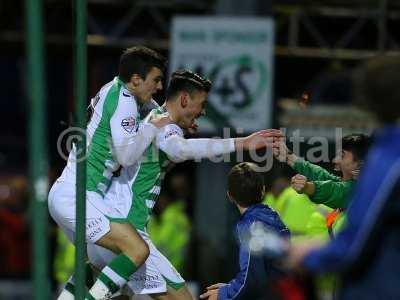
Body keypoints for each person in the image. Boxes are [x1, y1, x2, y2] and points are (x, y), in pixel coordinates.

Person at [87, 70, 283, 300]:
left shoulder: (154, 118)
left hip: (109, 228)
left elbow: (156, 160)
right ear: (184, 100)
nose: (203, 111)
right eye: (202, 104)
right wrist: (244, 143)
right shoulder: (165, 126)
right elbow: (180, 149)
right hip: (128, 232)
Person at [48, 46, 172, 300]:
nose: (159, 86)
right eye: (156, 79)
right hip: (78, 196)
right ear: (136, 79)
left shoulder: (112, 89)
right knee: (137, 250)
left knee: (101, 266)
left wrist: (167, 117)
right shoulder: (125, 100)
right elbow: (126, 156)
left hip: (69, 193)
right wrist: (150, 127)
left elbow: (153, 108)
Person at [287, 56, 400, 299]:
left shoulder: (389, 156)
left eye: (342, 155)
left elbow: (353, 247)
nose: (336, 160)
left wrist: (307, 255)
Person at [200, 162, 290, 300]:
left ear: (229, 195)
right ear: (263, 191)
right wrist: (230, 287)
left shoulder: (250, 227)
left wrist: (223, 294)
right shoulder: (272, 217)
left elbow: (252, 279)